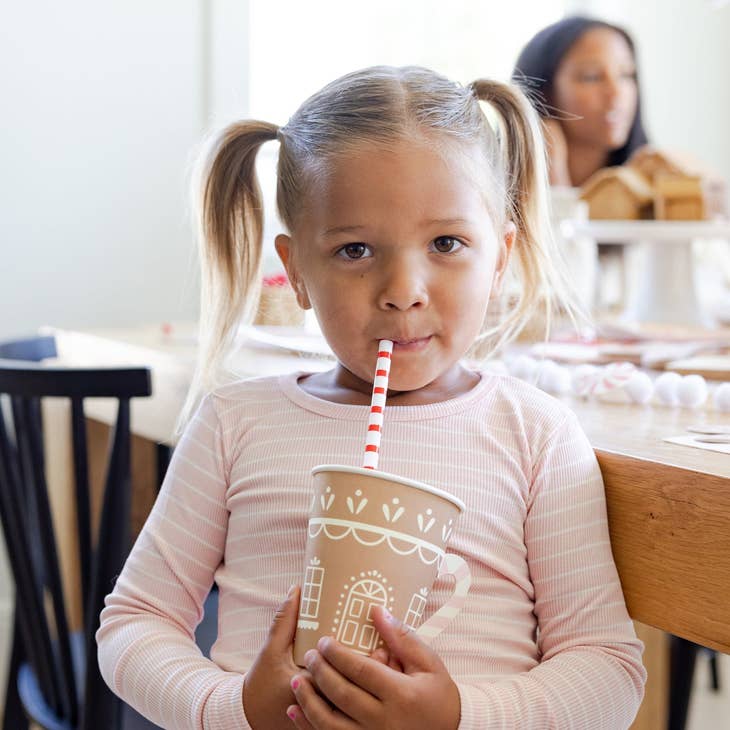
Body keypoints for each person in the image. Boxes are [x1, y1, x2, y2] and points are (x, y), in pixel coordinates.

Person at [97, 65, 646, 729]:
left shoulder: (537, 436)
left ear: (499, 256)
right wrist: (231, 707)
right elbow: (133, 625)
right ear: (296, 270)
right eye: (355, 249)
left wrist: (461, 716)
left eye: (447, 243)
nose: (402, 288)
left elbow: (608, 668)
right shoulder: (235, 425)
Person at [513, 16, 649, 187]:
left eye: (626, 75)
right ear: (543, 92)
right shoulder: (491, 190)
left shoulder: (654, 188)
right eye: (591, 77)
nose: (616, 92)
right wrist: (552, 173)